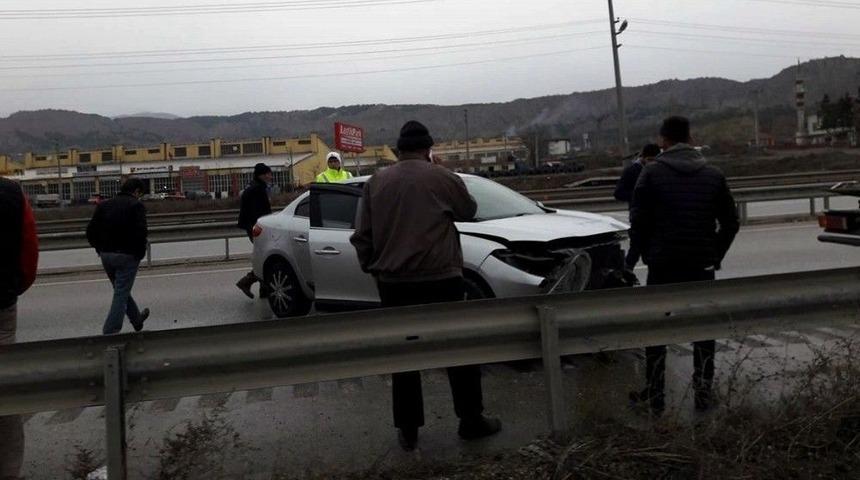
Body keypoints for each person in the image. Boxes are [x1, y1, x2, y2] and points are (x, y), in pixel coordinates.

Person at [350, 120, 501, 451]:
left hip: (393, 284)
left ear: (399, 150)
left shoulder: (377, 181)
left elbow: (362, 236)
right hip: (441, 279)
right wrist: (446, 175)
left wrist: (374, 269)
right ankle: (470, 420)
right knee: (457, 350)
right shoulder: (442, 177)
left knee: (404, 357)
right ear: (428, 149)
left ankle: (408, 430)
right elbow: (468, 211)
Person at [629, 116, 739, 415]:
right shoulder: (713, 175)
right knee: (703, 329)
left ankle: (656, 395)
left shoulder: (651, 174)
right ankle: (703, 393)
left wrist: (641, 255)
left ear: (663, 140)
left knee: (657, 330)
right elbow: (731, 222)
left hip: (663, 264)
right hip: (700, 264)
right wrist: (714, 253)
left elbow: (638, 222)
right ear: (689, 138)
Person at [0, 177, 37, 480]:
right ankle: (9, 471)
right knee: (5, 387)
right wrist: (14, 288)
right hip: (1, 304)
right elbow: (28, 248)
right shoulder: (10, 192)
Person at [87, 178, 151, 335]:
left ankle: (136, 320)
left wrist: (99, 248)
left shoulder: (104, 205)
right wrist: (140, 253)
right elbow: (141, 232)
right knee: (121, 292)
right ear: (136, 191)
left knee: (120, 290)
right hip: (127, 256)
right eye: (140, 194)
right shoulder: (136, 206)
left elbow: (90, 231)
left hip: (106, 255)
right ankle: (110, 331)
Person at [614, 143, 661, 271]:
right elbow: (618, 193)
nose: (651, 163)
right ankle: (626, 276)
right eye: (649, 160)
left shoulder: (660, 170)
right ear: (643, 157)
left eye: (654, 160)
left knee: (652, 252)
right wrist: (637, 196)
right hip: (638, 216)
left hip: (656, 217)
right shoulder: (632, 171)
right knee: (635, 249)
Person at [236, 163, 273, 299]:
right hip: (256, 228)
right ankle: (247, 281)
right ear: (261, 175)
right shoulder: (257, 189)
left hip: (253, 227)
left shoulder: (256, 187)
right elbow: (259, 212)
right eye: (268, 173)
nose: (270, 176)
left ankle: (264, 289)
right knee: (265, 258)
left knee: (264, 257)